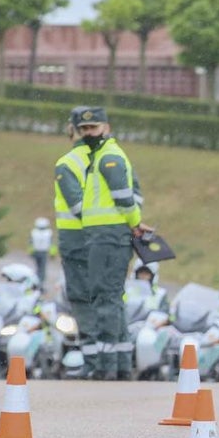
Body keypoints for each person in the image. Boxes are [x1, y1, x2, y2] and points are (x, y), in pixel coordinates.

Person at [75, 105, 152, 380]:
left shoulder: (109, 157)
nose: (88, 133)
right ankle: (119, 362)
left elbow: (124, 198)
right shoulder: (103, 155)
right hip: (106, 234)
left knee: (104, 295)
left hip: (109, 235)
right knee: (111, 295)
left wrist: (134, 223)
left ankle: (107, 364)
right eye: (84, 129)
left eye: (93, 128)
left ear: (105, 127)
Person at [53, 108, 97, 375]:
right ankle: (113, 362)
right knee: (108, 298)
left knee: (82, 299)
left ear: (73, 130)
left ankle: (93, 362)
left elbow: (77, 206)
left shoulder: (68, 162)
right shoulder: (111, 157)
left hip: (78, 241)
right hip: (109, 240)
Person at [29, 217, 55, 289]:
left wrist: (31, 252)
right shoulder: (49, 233)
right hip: (44, 252)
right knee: (42, 269)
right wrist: (53, 253)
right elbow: (52, 244)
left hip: (36, 252)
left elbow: (30, 243)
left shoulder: (33, 232)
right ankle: (41, 285)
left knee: (37, 268)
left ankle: (36, 283)